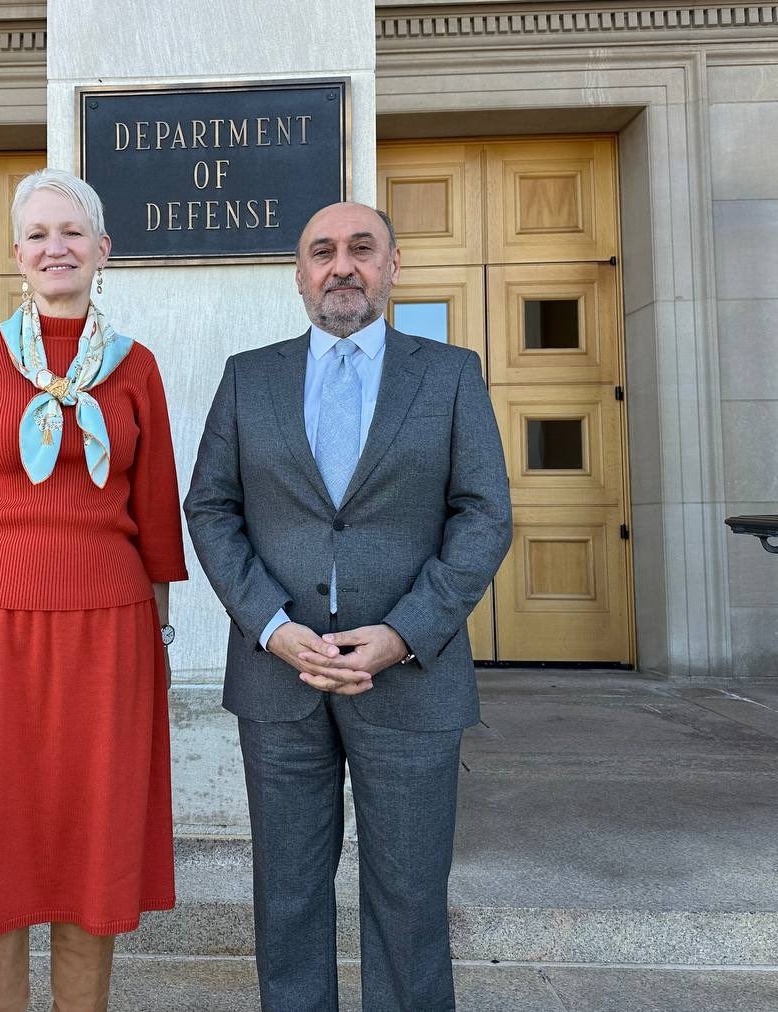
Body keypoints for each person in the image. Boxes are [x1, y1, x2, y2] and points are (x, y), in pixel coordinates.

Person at [184, 201, 513, 1011]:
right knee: (288, 897)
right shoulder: (248, 376)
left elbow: (484, 515)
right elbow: (211, 508)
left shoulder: (449, 374)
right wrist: (271, 626)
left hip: (412, 680)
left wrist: (404, 633)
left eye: (361, 249)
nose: (342, 266)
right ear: (299, 275)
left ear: (392, 265)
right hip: (278, 681)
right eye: (322, 252)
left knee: (408, 899)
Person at [0, 167, 188, 1012]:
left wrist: (156, 651)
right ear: (16, 256)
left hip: (109, 630)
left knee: (90, 839)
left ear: (103, 251)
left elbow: (156, 518)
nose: (55, 248)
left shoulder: (137, 369)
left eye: (72, 233)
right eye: (37, 235)